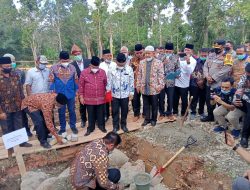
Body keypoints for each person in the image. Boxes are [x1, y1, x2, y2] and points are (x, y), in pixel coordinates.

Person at [0, 57, 32, 147]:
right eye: (6, 66)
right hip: (4, 108)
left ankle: (22, 142)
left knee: (19, 124)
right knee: (7, 127)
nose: (9, 67)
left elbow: (20, 89)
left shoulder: (15, 75)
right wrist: (0, 112)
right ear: (1, 67)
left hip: (17, 105)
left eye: (10, 65)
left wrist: (23, 102)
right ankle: (11, 146)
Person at [202, 39, 233, 122]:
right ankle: (210, 116)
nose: (216, 49)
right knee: (209, 100)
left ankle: (221, 119)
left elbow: (226, 69)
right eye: (215, 47)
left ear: (223, 46)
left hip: (220, 84)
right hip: (209, 83)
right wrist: (207, 76)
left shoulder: (228, 56)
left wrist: (214, 78)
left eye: (218, 47)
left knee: (220, 101)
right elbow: (205, 66)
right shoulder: (211, 54)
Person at [49, 51, 78, 135]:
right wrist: (52, 92)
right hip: (59, 94)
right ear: (59, 59)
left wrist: (76, 91)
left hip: (70, 93)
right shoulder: (53, 68)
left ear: (69, 59)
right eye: (63, 61)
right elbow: (51, 81)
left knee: (72, 110)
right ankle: (62, 128)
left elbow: (76, 79)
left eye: (67, 60)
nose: (65, 62)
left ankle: (73, 126)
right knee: (61, 111)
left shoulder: (72, 67)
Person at [79, 56, 107, 136]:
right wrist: (81, 97)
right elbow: (81, 85)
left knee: (101, 113)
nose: (95, 68)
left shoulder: (102, 72)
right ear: (90, 65)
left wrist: (104, 91)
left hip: (100, 97)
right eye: (94, 67)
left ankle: (101, 126)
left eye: (97, 67)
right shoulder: (84, 73)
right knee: (90, 114)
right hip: (89, 98)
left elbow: (105, 83)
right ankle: (90, 128)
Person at [136, 45, 165, 126]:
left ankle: (153, 119)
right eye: (146, 53)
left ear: (153, 53)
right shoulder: (142, 62)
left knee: (154, 105)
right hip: (144, 87)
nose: (147, 55)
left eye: (149, 53)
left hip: (154, 88)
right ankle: (147, 119)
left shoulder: (158, 62)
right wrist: (138, 85)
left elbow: (161, 75)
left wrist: (160, 86)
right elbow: (139, 74)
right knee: (145, 104)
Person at [107, 53, 134, 133]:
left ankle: (123, 125)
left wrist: (131, 92)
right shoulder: (111, 69)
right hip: (114, 95)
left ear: (125, 62)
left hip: (125, 95)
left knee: (125, 111)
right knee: (115, 111)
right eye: (119, 64)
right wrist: (108, 92)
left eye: (123, 64)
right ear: (116, 61)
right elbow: (109, 81)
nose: (121, 65)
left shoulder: (129, 69)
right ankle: (115, 126)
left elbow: (131, 81)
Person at [70, 44, 90, 128]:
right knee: (82, 105)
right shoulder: (71, 65)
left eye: (78, 54)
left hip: (89, 87)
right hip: (79, 88)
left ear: (81, 53)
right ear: (73, 56)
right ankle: (83, 120)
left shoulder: (88, 62)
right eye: (75, 55)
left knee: (91, 104)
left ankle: (92, 119)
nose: (77, 56)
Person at [173, 44, 197, 116]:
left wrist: (188, 62)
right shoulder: (179, 58)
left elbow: (189, 72)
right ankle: (175, 112)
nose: (186, 51)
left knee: (184, 100)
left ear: (192, 51)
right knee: (175, 98)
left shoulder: (193, 60)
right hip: (176, 81)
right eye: (185, 50)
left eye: (188, 50)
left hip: (184, 83)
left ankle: (184, 113)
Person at [162, 42, 180, 121]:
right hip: (161, 81)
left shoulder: (176, 58)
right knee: (161, 98)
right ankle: (161, 113)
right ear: (165, 50)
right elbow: (155, 68)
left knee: (170, 97)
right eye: (167, 51)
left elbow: (178, 68)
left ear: (172, 51)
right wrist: (163, 63)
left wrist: (177, 74)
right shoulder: (160, 57)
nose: (168, 53)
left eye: (170, 51)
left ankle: (169, 113)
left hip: (171, 80)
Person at [189, 48, 209, 120]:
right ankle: (193, 112)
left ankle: (201, 112)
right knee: (194, 98)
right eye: (202, 53)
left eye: (205, 54)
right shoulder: (195, 61)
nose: (204, 55)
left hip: (205, 83)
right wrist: (198, 81)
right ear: (199, 53)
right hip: (195, 83)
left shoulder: (209, 62)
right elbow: (192, 71)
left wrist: (203, 81)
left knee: (202, 98)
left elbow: (210, 72)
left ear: (208, 54)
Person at [234, 63, 250, 147]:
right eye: (247, 73)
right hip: (247, 97)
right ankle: (244, 137)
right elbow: (239, 87)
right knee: (248, 115)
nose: (247, 74)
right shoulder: (245, 76)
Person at [100, 49, 116, 122]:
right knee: (105, 101)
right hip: (104, 86)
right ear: (103, 56)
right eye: (107, 56)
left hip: (114, 86)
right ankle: (106, 115)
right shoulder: (101, 65)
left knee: (114, 101)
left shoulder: (114, 64)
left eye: (110, 56)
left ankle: (114, 115)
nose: (109, 57)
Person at [131, 44, 144, 122]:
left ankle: (145, 113)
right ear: (135, 53)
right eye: (137, 53)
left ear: (143, 51)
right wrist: (134, 72)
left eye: (140, 52)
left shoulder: (146, 59)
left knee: (146, 99)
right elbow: (129, 71)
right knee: (135, 99)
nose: (139, 54)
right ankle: (136, 114)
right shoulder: (132, 60)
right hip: (135, 83)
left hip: (145, 83)